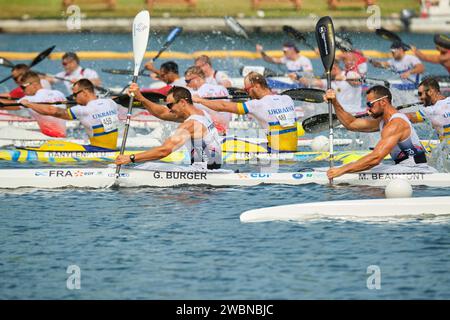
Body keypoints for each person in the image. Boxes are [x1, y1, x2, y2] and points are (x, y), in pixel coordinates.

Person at [325, 85, 437, 180]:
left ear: (383, 102)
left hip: (416, 171)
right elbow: (351, 123)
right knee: (354, 170)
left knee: (354, 175)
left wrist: (342, 170)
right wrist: (335, 102)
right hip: (402, 168)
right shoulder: (383, 122)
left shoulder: (396, 124)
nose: (367, 110)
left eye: (370, 105)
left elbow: (375, 158)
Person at [115, 86, 223, 170]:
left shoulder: (190, 124)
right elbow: (162, 113)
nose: (169, 109)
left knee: (148, 167)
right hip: (214, 169)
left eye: (170, 105)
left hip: (202, 172)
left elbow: (164, 151)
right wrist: (141, 98)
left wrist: (130, 158)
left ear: (182, 102)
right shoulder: (202, 113)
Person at [193, 72, 298, 153]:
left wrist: (200, 100)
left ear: (256, 86)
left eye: (247, 90)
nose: (248, 94)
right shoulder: (287, 99)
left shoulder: (257, 104)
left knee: (227, 142)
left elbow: (223, 106)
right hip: (292, 149)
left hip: (277, 153)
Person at [20, 78, 122, 150]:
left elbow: (53, 111)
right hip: (112, 149)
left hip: (97, 150)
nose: (73, 98)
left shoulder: (83, 110)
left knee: (52, 145)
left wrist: (29, 104)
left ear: (85, 92)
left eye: (75, 94)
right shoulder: (110, 103)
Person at [2, 71, 67, 138]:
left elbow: (5, 106)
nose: (22, 90)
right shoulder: (59, 93)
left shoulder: (30, 99)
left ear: (35, 85)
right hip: (63, 137)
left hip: (48, 139)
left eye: (23, 87)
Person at [295, 64, 364, 114]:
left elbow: (357, 82)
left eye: (327, 70)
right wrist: (297, 77)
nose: (325, 72)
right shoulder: (329, 82)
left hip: (355, 112)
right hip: (342, 114)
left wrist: (344, 79)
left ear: (335, 67)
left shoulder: (349, 74)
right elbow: (311, 82)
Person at [184, 66, 231, 134]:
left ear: (197, 78)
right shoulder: (222, 89)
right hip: (226, 132)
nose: (187, 84)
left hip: (211, 135)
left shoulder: (195, 95)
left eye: (188, 81)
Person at [404, 78, 450, 145]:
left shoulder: (430, 111)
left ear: (431, 91)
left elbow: (406, 117)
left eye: (420, 94)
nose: (419, 98)